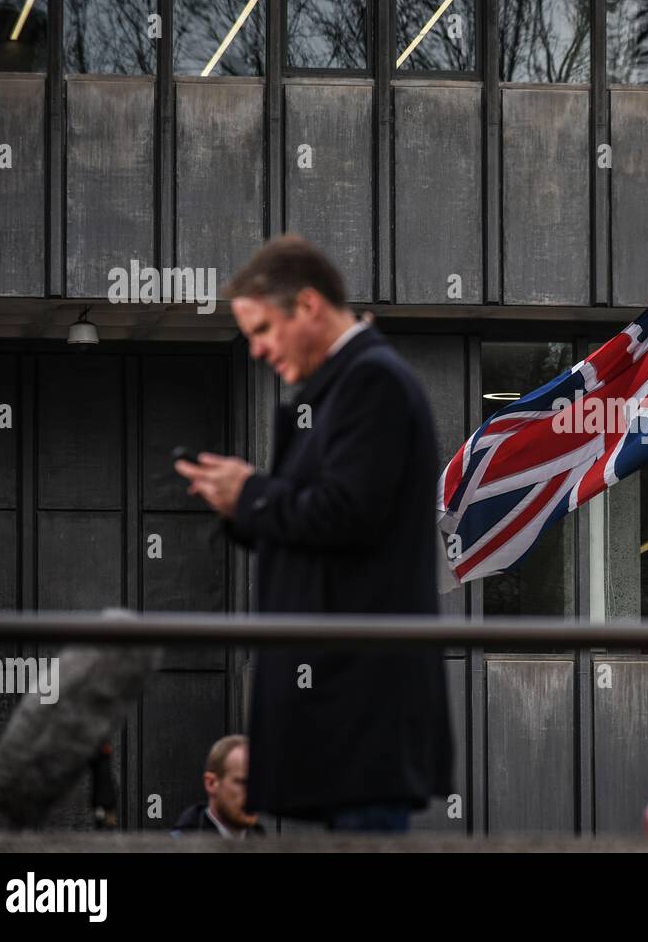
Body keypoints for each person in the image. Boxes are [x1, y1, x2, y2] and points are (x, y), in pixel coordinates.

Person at [174, 235, 452, 833]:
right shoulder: (352, 385)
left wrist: (250, 493)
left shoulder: (369, 384)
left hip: (359, 699)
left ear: (308, 306)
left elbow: (346, 515)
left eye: (263, 329)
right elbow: (324, 517)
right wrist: (241, 502)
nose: (256, 350)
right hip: (350, 698)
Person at [171, 735, 267, 838]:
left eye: (259, 785)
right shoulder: (178, 844)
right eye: (242, 783)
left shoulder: (269, 845)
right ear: (211, 783)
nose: (255, 795)